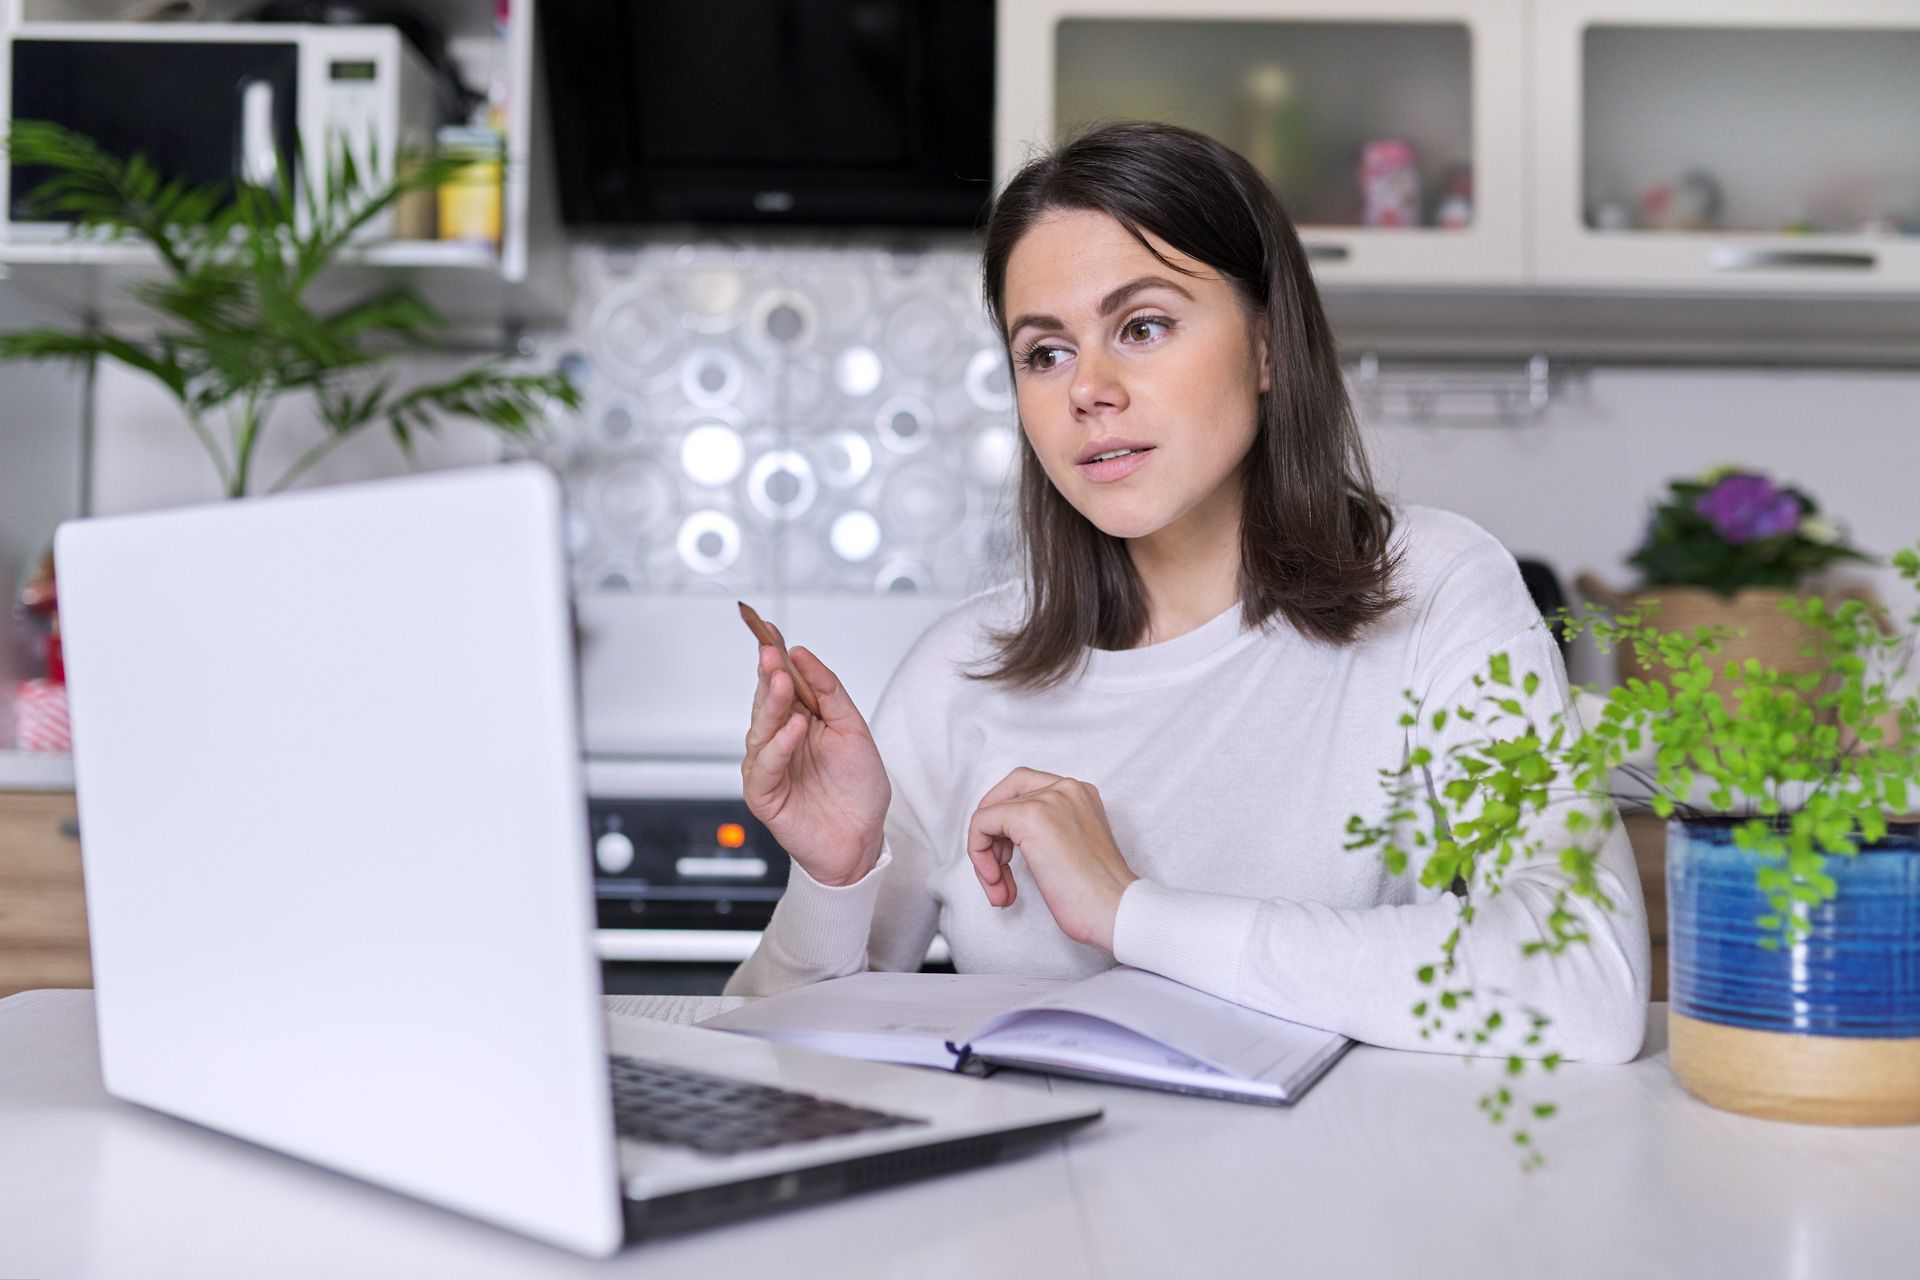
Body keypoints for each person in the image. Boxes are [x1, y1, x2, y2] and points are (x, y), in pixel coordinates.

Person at [727, 121, 1650, 1064]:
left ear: (1267, 348)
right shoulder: (958, 674)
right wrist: (833, 879)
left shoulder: (1436, 590)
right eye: (1044, 353)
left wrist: (1134, 914)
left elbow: (1588, 985)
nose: (1088, 388)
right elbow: (762, 1057)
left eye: (1143, 326)